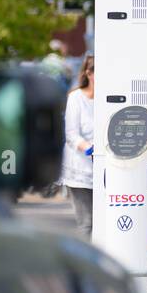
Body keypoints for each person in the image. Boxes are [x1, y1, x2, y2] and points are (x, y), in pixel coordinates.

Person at [62, 53, 96, 238]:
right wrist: (91, 149)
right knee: (87, 223)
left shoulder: (107, 99)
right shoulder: (75, 98)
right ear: (89, 74)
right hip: (80, 170)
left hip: (103, 172)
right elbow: (72, 135)